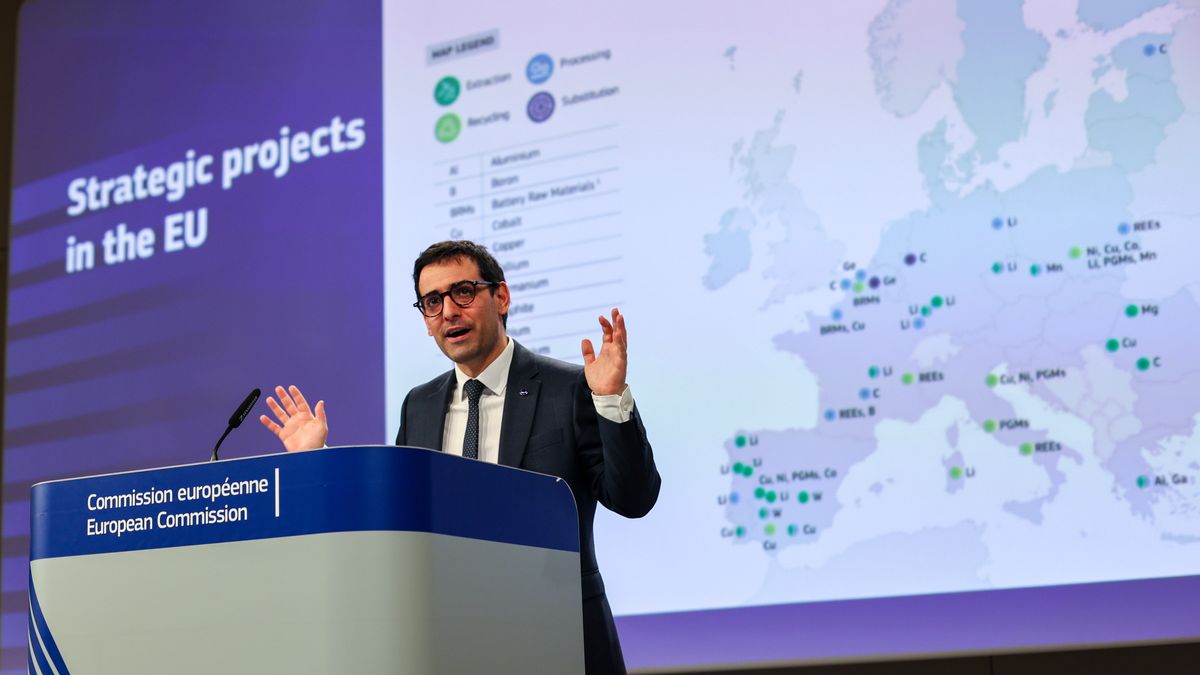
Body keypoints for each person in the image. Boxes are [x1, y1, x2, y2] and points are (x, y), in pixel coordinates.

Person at [260, 239, 661, 674]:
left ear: (501, 297)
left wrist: (611, 399)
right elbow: (394, 518)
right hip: (452, 644)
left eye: (463, 292)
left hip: (560, 638)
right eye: (432, 302)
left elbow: (633, 498)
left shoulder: (567, 388)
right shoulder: (420, 405)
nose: (448, 311)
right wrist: (316, 461)